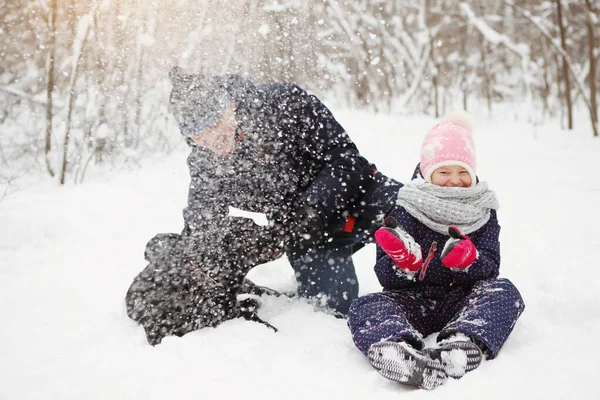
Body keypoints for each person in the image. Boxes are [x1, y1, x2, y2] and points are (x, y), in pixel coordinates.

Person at [167, 67, 400, 316]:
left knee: (423, 224)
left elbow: (346, 160)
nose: (212, 140)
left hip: (360, 197)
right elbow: (203, 222)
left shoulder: (285, 102)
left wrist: (314, 206)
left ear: (230, 105)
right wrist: (183, 266)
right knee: (330, 309)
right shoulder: (206, 162)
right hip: (307, 235)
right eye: (198, 135)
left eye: (214, 124)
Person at [346, 113, 525, 390]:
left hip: (461, 299)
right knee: (366, 305)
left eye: (463, 171)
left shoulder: (482, 210)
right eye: (444, 171)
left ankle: (462, 345)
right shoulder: (406, 207)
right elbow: (386, 277)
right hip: (415, 299)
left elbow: (491, 268)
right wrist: (403, 263)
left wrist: (470, 261)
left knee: (505, 292)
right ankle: (399, 349)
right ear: (428, 173)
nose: (455, 180)